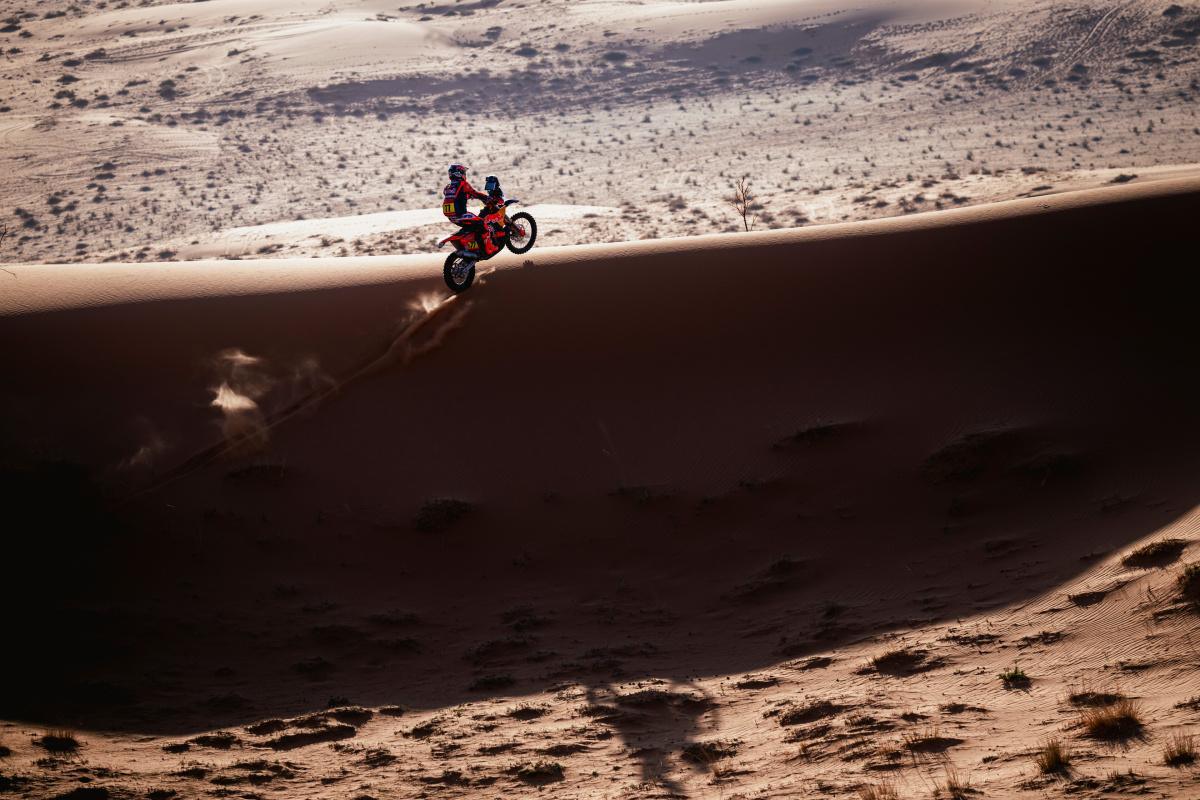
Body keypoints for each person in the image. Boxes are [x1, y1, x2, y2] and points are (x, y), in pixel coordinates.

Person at [442, 164, 495, 250]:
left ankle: (472, 246)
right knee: (483, 224)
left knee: (472, 228)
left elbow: (455, 197)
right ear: (459, 173)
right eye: (463, 172)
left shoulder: (447, 187)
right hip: (461, 215)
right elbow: (475, 193)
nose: (464, 174)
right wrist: (487, 198)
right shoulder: (463, 184)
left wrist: (467, 196)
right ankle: (486, 248)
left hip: (452, 218)